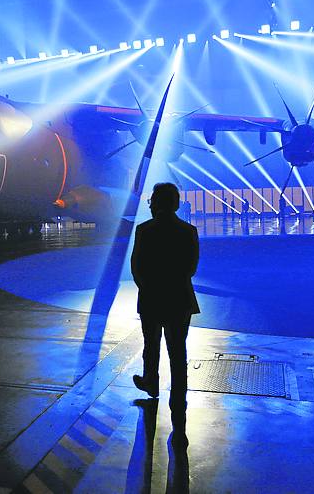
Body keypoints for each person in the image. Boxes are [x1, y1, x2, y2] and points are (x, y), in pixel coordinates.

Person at [131, 183, 199, 447]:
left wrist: (149, 287)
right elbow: (191, 267)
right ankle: (177, 399)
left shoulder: (144, 230)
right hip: (180, 299)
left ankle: (151, 383)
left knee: (151, 346)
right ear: (177, 204)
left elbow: (136, 267)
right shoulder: (188, 231)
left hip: (151, 298)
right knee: (177, 352)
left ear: (154, 203)